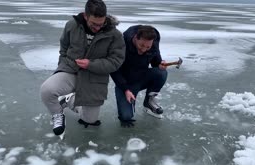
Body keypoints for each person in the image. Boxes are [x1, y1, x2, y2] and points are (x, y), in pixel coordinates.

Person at [40, 0, 125, 136]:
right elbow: (64, 48)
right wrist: (62, 66)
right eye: (94, 24)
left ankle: (68, 101)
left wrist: (91, 64)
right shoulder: (72, 25)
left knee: (89, 120)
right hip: (71, 71)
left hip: (95, 77)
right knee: (47, 90)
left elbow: (116, 61)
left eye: (101, 24)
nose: (97, 27)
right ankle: (57, 115)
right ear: (86, 16)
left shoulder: (115, 35)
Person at [111, 25, 168, 127]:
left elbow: (156, 62)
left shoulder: (153, 43)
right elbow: (114, 70)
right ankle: (126, 106)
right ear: (135, 37)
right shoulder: (121, 44)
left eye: (148, 47)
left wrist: (160, 64)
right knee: (126, 118)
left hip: (142, 77)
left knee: (161, 73)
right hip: (126, 83)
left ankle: (148, 103)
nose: (144, 49)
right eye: (141, 45)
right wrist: (125, 89)